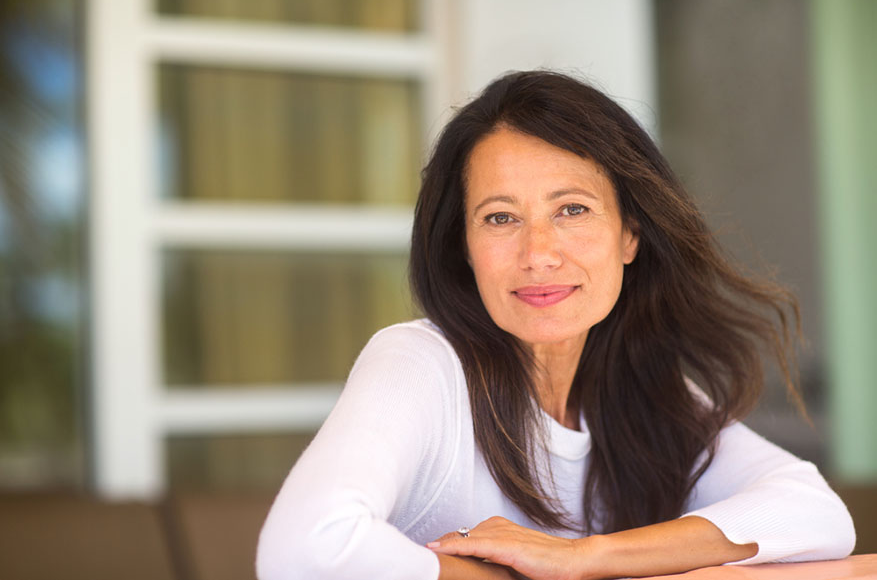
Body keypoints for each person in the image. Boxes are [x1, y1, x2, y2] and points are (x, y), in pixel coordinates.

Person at [256, 70, 855, 580]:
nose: (538, 253)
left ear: (630, 234)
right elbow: (303, 548)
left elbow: (817, 515)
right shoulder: (422, 364)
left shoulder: (647, 394)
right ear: (463, 247)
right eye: (499, 218)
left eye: (572, 210)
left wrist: (586, 558)